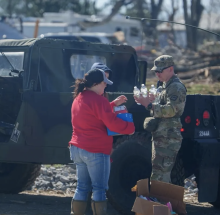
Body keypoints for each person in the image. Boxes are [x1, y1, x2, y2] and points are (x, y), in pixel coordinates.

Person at [69, 68, 135, 215]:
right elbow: (111, 123)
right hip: (95, 150)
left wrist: (111, 104)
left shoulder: (79, 97)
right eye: (104, 84)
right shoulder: (100, 100)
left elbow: (93, 112)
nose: (106, 86)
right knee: (99, 188)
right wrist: (129, 128)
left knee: (82, 187)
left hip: (77, 148)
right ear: (97, 83)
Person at [134, 55, 187, 183]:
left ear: (170, 69)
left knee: (161, 175)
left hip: (168, 137)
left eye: (160, 71)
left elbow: (173, 109)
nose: (157, 74)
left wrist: (149, 104)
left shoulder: (175, 87)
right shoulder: (165, 86)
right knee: (158, 172)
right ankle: (161, 201)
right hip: (162, 136)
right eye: (156, 71)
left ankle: (161, 202)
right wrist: (153, 101)